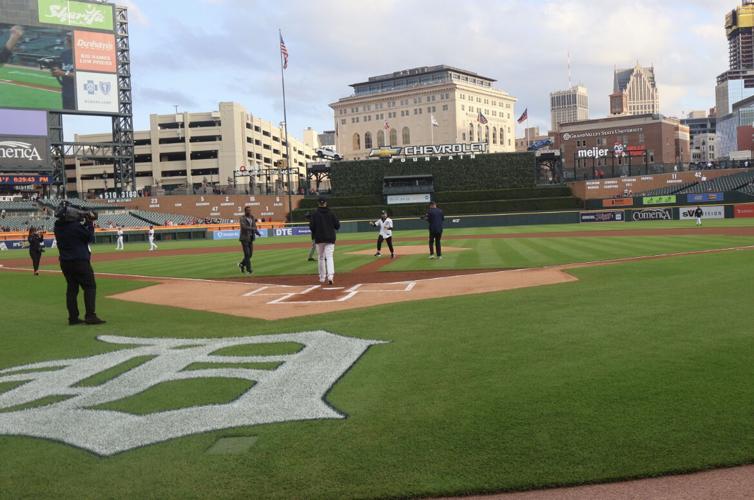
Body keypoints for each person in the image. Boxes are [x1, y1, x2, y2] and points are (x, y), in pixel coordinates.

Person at [53, 202, 105, 325]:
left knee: (72, 289)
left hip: (65, 262)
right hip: (79, 261)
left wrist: (84, 222)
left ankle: (73, 318)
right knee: (90, 287)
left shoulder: (57, 227)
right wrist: (89, 223)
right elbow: (89, 237)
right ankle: (90, 315)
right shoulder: (75, 226)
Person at [308, 197, 340, 285]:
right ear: (326, 203)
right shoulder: (331, 213)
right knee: (329, 257)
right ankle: (330, 277)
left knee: (321, 257)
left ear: (318, 204)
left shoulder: (314, 214)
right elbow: (337, 226)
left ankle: (322, 277)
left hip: (319, 239)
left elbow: (311, 227)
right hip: (330, 238)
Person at [50, 33, 75, 110]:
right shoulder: (64, 54)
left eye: (68, 39)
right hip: (66, 93)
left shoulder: (81, 55)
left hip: (77, 95)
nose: (66, 41)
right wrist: (54, 71)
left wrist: (63, 73)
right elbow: (58, 72)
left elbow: (82, 76)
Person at [238, 206, 261, 274]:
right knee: (247, 254)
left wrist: (257, 232)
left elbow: (254, 226)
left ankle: (241, 264)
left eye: (250, 210)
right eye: (248, 210)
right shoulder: (242, 218)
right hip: (244, 238)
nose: (249, 211)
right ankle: (249, 269)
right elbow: (244, 227)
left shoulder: (252, 217)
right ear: (245, 211)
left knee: (250, 255)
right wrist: (253, 228)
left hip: (251, 238)